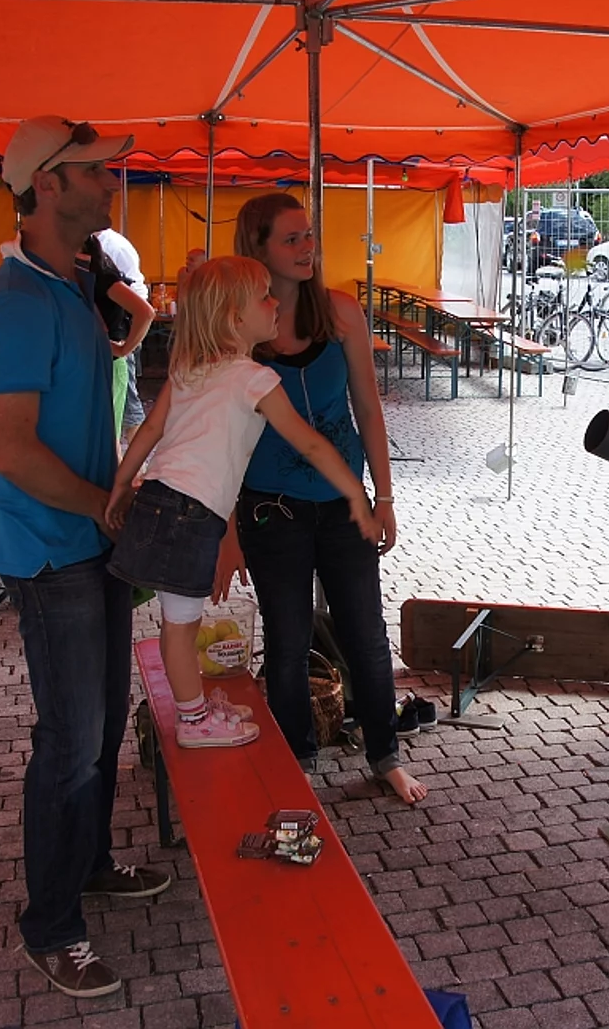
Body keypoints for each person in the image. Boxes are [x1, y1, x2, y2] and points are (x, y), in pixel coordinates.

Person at [0, 115, 168, 1000]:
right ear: (46, 185)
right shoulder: (18, 302)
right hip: (54, 554)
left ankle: (90, 865)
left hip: (91, 541)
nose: (112, 182)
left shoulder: (73, 279)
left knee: (99, 729)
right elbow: (11, 451)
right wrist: (102, 505)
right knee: (70, 740)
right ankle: (51, 927)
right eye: (96, 171)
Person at [107, 256, 381, 748]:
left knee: (178, 622)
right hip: (191, 513)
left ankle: (193, 708)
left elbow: (149, 430)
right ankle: (193, 720)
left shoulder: (190, 369)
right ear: (235, 319)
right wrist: (356, 494)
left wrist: (122, 484)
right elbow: (312, 444)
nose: (275, 303)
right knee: (181, 626)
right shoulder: (255, 378)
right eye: (264, 297)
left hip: (161, 501)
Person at [212, 193, 427, 805]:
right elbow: (222, 436)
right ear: (258, 249)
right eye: (291, 239)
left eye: (309, 236)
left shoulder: (341, 313)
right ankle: (297, 761)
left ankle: (385, 754)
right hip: (269, 509)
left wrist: (385, 496)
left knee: (366, 633)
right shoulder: (238, 324)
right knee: (286, 641)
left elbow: (369, 409)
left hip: (342, 505)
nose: (307, 248)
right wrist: (226, 531)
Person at [80, 231, 155, 443]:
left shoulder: (103, 274)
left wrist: (124, 348)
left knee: (114, 428)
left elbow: (145, 311)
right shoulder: (82, 274)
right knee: (105, 432)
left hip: (112, 357)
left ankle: (134, 462)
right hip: (97, 358)